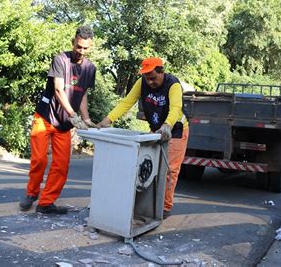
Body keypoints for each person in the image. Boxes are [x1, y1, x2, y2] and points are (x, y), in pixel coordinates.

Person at [96, 57, 189, 219]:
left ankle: (164, 207)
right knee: (148, 167)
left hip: (175, 130)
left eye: (153, 78)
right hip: (156, 130)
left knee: (169, 171)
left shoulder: (172, 84)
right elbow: (127, 102)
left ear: (161, 71)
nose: (150, 82)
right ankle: (149, 204)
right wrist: (108, 119)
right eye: (147, 78)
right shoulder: (142, 82)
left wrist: (167, 125)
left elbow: (176, 107)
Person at [19, 26, 97, 214]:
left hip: (64, 125)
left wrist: (85, 118)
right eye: (79, 47)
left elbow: (83, 94)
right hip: (45, 117)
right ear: (73, 42)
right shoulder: (60, 60)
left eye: (86, 48)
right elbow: (58, 90)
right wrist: (74, 116)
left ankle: (46, 202)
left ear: (91, 46)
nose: (81, 51)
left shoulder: (90, 69)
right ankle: (32, 192)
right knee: (39, 160)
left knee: (61, 165)